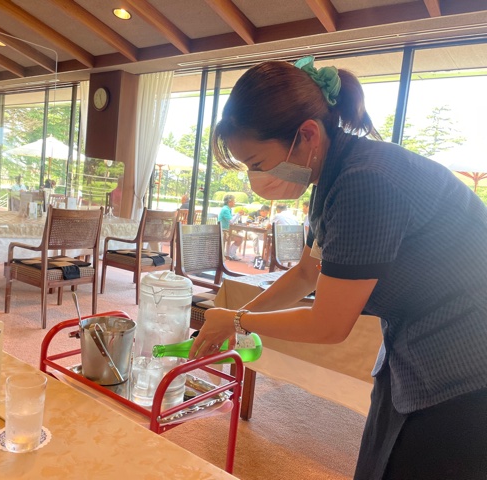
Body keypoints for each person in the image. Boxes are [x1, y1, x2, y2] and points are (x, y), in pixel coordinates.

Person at [190, 56, 487, 479]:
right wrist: (237, 314)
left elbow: (328, 325)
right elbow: (306, 273)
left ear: (307, 134)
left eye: (257, 163)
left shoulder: (365, 180)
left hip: (465, 362)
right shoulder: (333, 175)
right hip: (414, 344)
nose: (255, 178)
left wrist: (236, 320)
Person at [218, 194, 242, 261]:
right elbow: (231, 221)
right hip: (223, 231)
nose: (235, 202)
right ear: (229, 201)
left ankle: (230, 253)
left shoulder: (227, 209)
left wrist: (238, 215)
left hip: (226, 230)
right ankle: (230, 254)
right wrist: (238, 214)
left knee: (239, 237)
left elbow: (230, 221)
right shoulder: (225, 209)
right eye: (234, 201)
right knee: (240, 238)